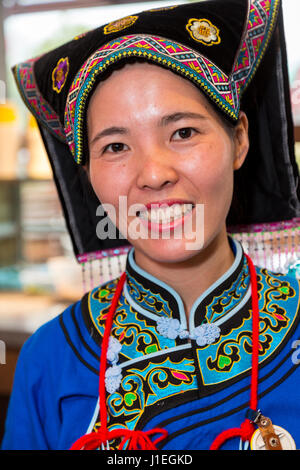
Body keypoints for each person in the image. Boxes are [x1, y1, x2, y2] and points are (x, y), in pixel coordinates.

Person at [1, 0, 300, 451]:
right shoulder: (52, 356)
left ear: (239, 140)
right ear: (89, 175)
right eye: (116, 146)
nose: (154, 173)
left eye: (183, 132)